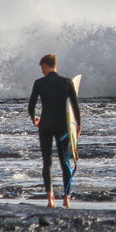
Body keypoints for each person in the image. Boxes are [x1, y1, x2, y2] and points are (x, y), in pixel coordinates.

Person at [27, 53, 80, 208]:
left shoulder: (39, 83)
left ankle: (50, 199)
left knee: (47, 162)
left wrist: (34, 118)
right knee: (65, 161)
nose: (42, 71)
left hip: (46, 125)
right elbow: (75, 106)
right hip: (63, 126)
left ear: (45, 65)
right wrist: (78, 125)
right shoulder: (67, 82)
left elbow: (31, 106)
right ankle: (66, 198)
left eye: (41, 68)